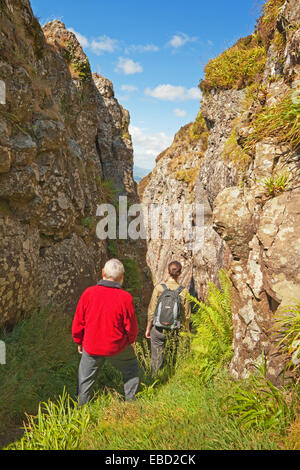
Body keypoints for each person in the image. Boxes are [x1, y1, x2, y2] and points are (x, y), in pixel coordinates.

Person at [72, 258, 139, 405]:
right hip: (117, 346)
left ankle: (80, 412)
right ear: (121, 277)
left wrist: (79, 341)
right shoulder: (125, 298)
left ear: (102, 273)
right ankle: (131, 403)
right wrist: (130, 342)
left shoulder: (88, 293)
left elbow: (78, 322)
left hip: (91, 345)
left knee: (84, 381)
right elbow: (131, 327)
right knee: (131, 369)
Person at [145, 261, 191, 373]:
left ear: (167, 271)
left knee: (156, 358)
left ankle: (155, 381)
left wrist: (148, 328)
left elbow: (151, 310)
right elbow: (186, 316)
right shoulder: (184, 291)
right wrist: (187, 332)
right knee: (172, 357)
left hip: (158, 329)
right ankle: (170, 377)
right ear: (180, 273)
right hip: (175, 330)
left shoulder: (159, 288)